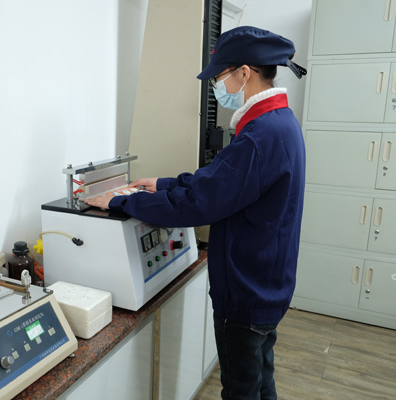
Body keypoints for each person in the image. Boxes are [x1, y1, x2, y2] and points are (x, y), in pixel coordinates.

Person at [86, 26, 306, 400]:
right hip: (269, 285)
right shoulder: (281, 123)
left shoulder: (259, 136)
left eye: (220, 76)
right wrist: (164, 184)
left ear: (244, 73)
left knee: (240, 391)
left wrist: (122, 201)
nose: (218, 86)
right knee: (260, 381)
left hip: (247, 292)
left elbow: (199, 203)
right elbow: (220, 181)